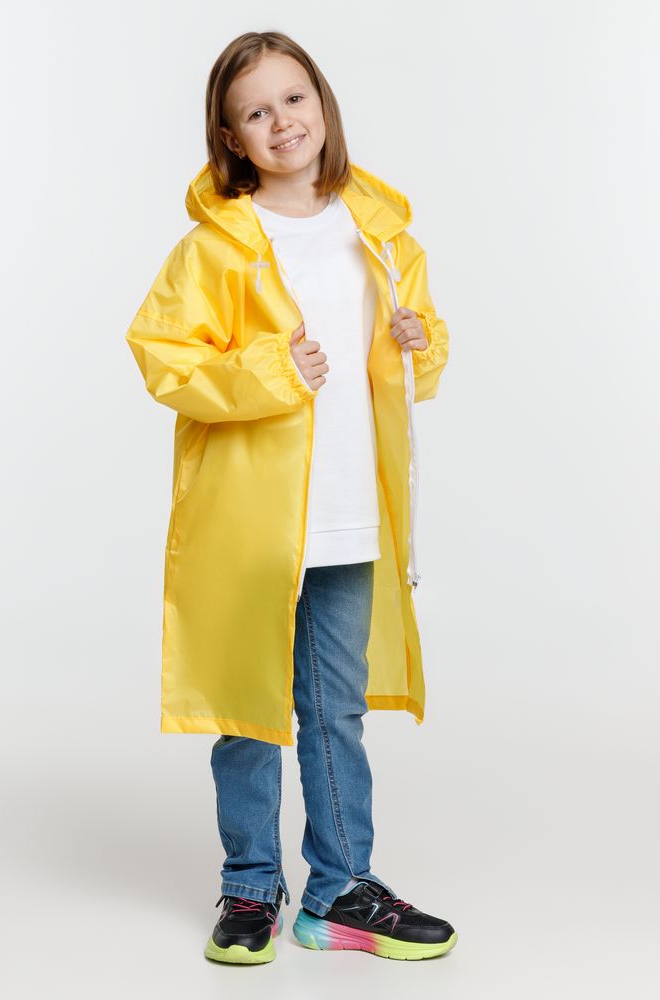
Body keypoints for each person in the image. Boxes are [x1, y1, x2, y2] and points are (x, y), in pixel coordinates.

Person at [124, 30, 455, 964]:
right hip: (249, 523)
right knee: (247, 711)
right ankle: (249, 887)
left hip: (349, 514)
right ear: (230, 138)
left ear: (323, 102)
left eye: (294, 98)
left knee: (335, 711)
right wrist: (271, 369)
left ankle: (340, 889)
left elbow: (416, 370)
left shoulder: (380, 234)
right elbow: (164, 356)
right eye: (256, 112)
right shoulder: (216, 247)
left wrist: (419, 345)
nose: (282, 122)